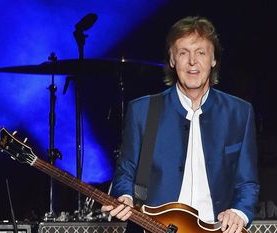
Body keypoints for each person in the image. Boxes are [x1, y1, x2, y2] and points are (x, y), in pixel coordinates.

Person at [101, 16, 260, 233]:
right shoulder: (143, 110)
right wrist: (126, 197)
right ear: (172, 60)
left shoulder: (239, 112)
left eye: (201, 53)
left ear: (214, 60)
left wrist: (239, 213)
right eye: (183, 52)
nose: (192, 62)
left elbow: (247, 183)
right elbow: (126, 171)